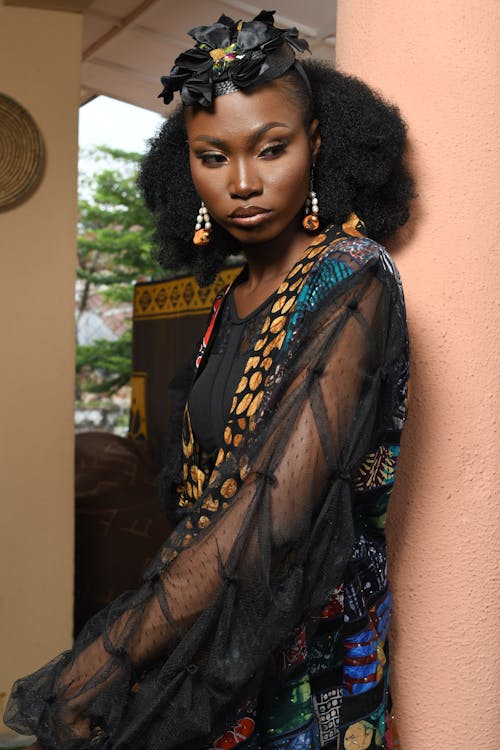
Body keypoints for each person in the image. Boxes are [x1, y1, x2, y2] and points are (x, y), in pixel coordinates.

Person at [5, 10, 414, 750]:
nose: (245, 183)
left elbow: (276, 510)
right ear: (184, 164)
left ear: (316, 145)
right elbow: (200, 490)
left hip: (310, 669)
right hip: (217, 640)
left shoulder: (352, 278)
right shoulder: (229, 297)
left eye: (273, 148)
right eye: (214, 157)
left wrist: (115, 648)